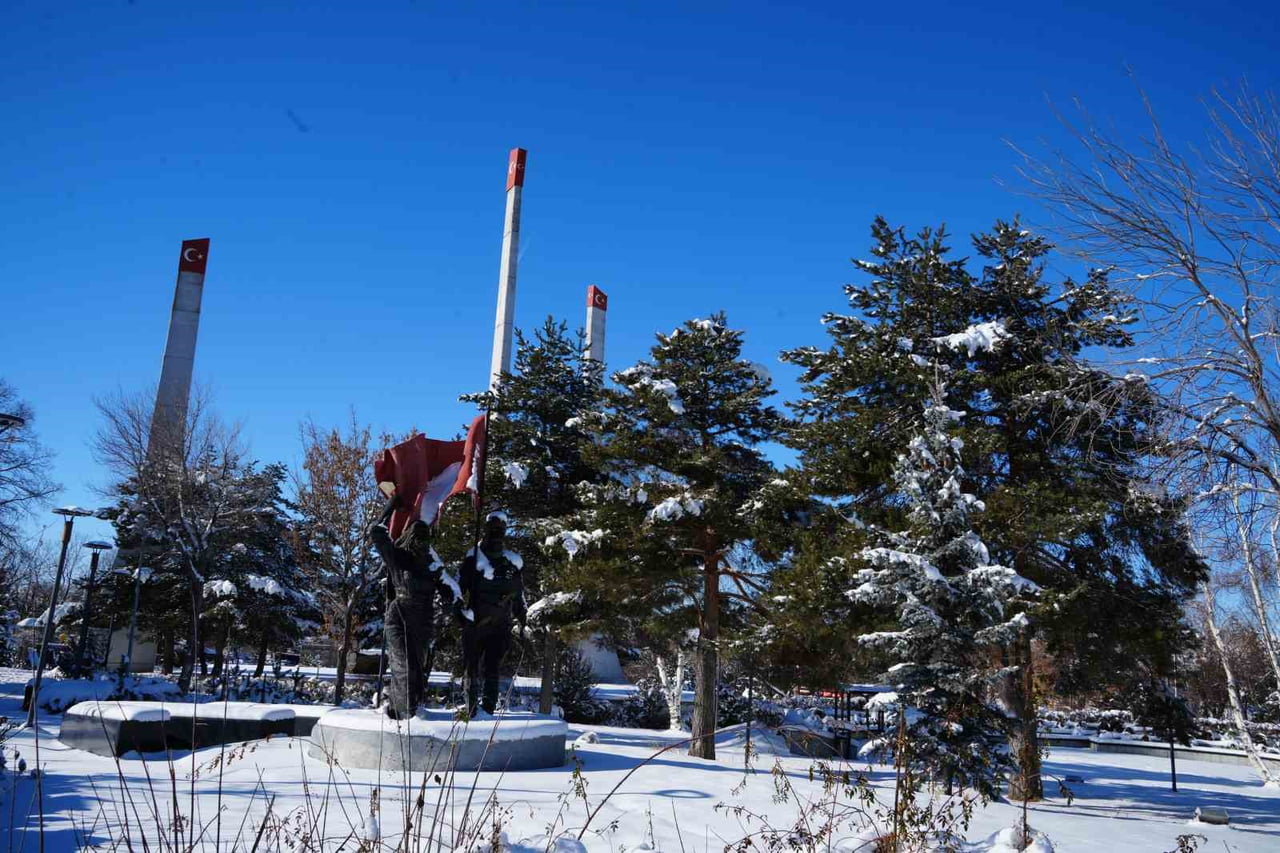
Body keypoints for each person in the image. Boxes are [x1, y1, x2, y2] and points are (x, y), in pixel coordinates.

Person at [368, 495, 465, 719]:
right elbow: (376, 533)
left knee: (417, 670)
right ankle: (404, 717)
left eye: (425, 539)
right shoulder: (398, 558)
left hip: (422, 619)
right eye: (418, 538)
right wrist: (390, 508)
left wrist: (459, 609)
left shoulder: (432, 565)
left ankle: (405, 711)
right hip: (399, 615)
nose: (422, 543)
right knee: (404, 667)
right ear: (410, 538)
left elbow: (449, 588)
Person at [459, 512, 527, 715]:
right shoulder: (474, 558)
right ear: (487, 529)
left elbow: (518, 594)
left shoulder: (512, 562)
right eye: (493, 528)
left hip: (500, 625)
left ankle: (488, 709)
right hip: (476, 622)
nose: (497, 533)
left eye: (501, 529)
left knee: (492, 668)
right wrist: (459, 612)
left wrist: (523, 619)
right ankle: (470, 708)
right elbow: (458, 588)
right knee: (471, 667)